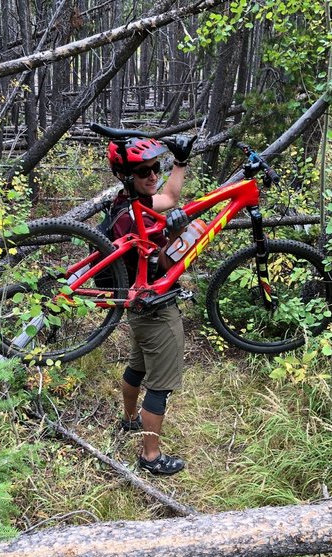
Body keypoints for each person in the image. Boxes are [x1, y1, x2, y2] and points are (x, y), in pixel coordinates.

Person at [107, 134, 195, 476]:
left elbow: (170, 196)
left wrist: (181, 162)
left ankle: (130, 420)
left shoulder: (130, 203)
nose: (153, 176)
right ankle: (151, 455)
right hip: (157, 310)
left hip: (141, 310)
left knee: (138, 366)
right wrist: (175, 237)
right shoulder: (131, 220)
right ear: (127, 177)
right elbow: (161, 266)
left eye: (156, 168)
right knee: (160, 384)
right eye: (145, 172)